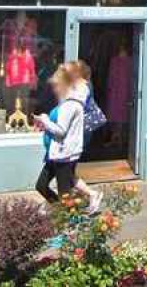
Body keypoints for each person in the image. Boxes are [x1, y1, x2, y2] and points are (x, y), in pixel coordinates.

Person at [33, 67, 85, 203]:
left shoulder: (69, 105)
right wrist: (46, 120)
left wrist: (45, 121)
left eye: (56, 85)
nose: (54, 89)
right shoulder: (67, 103)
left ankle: (68, 220)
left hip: (64, 155)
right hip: (56, 154)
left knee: (65, 194)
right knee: (41, 186)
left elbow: (61, 131)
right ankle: (61, 214)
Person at [63, 60, 104, 212]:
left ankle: (91, 194)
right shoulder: (85, 85)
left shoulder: (82, 88)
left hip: (79, 132)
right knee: (68, 170)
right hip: (80, 132)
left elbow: (73, 109)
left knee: (67, 170)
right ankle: (76, 197)